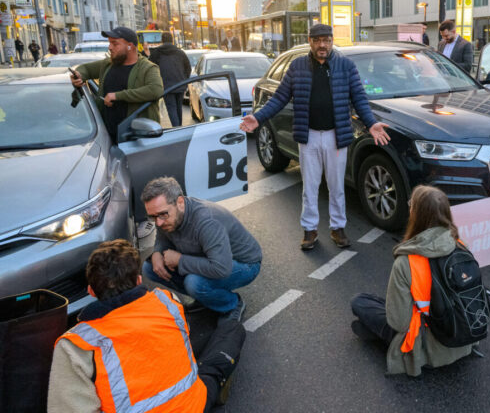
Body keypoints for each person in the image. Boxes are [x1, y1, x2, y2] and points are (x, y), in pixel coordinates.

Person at [239, 24, 390, 251]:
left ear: (331, 41)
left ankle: (338, 228)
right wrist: (258, 118)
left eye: (327, 40)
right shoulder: (297, 66)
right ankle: (310, 231)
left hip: (336, 137)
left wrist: (371, 123)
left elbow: (359, 98)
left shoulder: (346, 66)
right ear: (310, 41)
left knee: (337, 186)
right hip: (308, 137)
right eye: (318, 40)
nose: (322, 45)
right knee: (309, 187)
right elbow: (280, 98)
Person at [48, 240, 246, 413]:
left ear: (91, 291)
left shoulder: (75, 345)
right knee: (231, 330)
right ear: (139, 280)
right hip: (192, 406)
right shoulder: (168, 301)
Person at [350, 185, 475, 377]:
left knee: (360, 301)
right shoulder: (461, 247)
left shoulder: (407, 262)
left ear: (417, 216)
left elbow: (399, 323)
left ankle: (379, 339)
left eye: (411, 206)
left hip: (427, 348)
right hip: (463, 338)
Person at [141, 176, 262, 321]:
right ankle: (207, 298)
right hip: (208, 257)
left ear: (180, 202)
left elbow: (221, 268)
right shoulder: (167, 215)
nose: (158, 223)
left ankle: (232, 304)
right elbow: (162, 237)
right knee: (149, 268)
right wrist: (157, 252)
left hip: (244, 263)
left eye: (162, 215)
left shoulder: (207, 222)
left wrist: (180, 260)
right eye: (153, 217)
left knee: (194, 283)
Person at [69, 27, 164, 142]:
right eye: (109, 43)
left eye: (115, 43)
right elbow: (85, 69)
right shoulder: (107, 64)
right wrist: (79, 75)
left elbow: (155, 90)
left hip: (136, 139)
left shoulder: (148, 68)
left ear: (130, 46)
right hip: (106, 138)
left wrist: (117, 96)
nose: (110, 47)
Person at [149, 31, 191, 127]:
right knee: (178, 108)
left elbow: (150, 68)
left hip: (166, 86)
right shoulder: (180, 53)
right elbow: (188, 68)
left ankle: (177, 129)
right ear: (172, 40)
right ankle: (179, 127)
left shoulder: (156, 53)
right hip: (180, 84)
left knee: (171, 108)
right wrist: (184, 81)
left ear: (162, 40)